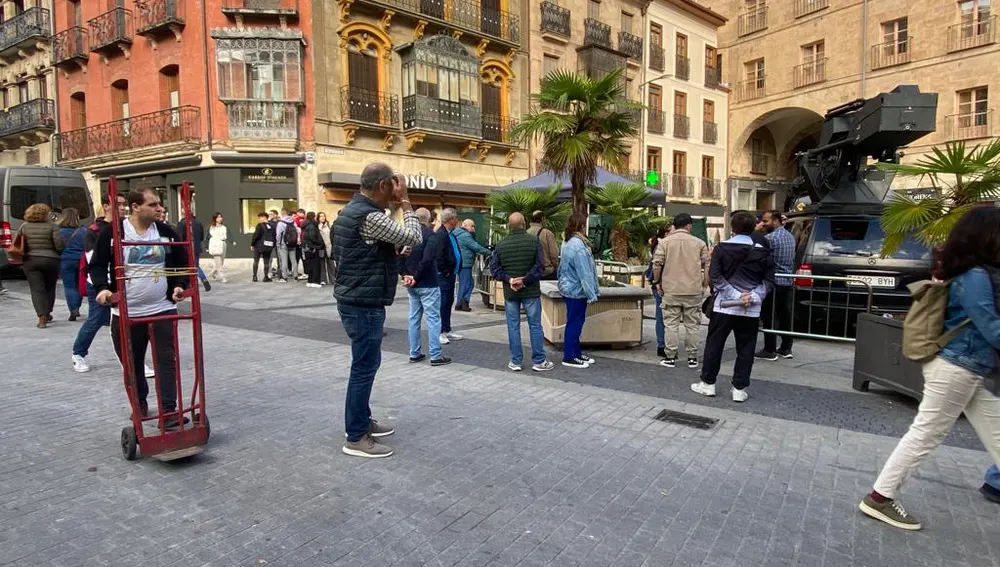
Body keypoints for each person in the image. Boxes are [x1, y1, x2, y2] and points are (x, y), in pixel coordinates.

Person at [859, 207, 1000, 531]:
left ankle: (879, 497)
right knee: (925, 435)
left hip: (968, 368)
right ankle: (879, 498)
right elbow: (991, 328)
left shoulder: (972, 272)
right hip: (957, 367)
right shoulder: (975, 276)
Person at [333, 163, 422, 459]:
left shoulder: (350, 211)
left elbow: (361, 252)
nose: (395, 192)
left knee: (364, 365)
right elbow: (415, 236)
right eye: (393, 186)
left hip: (354, 297)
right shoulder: (369, 216)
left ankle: (361, 421)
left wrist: (391, 251)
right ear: (384, 185)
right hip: (363, 302)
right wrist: (406, 200)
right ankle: (356, 436)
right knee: (364, 367)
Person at [90, 188, 190, 426]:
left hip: (162, 308)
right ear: (135, 207)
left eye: (159, 204)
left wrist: (179, 285)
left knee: (166, 361)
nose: (160, 208)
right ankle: (140, 406)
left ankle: (168, 412)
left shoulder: (166, 232)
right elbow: (97, 265)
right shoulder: (113, 232)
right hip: (126, 312)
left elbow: (182, 263)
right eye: (153, 204)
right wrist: (103, 289)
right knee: (132, 364)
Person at [691, 211, 774, 403]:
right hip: (751, 308)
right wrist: (753, 296)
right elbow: (769, 281)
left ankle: (708, 383)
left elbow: (715, 276)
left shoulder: (721, 249)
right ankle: (739, 388)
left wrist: (735, 295)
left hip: (724, 306)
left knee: (715, 344)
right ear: (753, 228)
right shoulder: (764, 251)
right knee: (746, 348)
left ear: (732, 228)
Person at [492, 212, 554, 373]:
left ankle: (516, 361)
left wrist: (511, 280)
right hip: (530, 291)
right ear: (524, 223)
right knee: (535, 326)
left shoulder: (501, 244)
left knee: (513, 326)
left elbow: (495, 269)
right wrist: (525, 280)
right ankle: (539, 360)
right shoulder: (534, 241)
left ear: (509, 225)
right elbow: (540, 266)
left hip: (511, 292)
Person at [72, 193, 125, 373]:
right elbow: (94, 261)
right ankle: (78, 353)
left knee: (126, 321)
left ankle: (132, 360)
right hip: (100, 282)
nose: (122, 207)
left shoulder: (126, 227)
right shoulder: (94, 230)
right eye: (117, 204)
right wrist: (102, 284)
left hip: (122, 281)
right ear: (106, 206)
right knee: (97, 319)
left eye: (123, 204)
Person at [651, 213, 710, 369]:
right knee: (692, 326)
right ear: (689, 226)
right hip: (693, 290)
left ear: (674, 226)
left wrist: (657, 282)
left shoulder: (664, 243)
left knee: (671, 325)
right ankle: (692, 357)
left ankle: (670, 356)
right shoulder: (699, 243)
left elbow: (657, 264)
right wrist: (704, 284)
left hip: (671, 289)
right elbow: (707, 265)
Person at [400, 208, 450, 366]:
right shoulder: (430, 235)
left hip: (411, 283)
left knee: (414, 318)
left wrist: (406, 275)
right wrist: (416, 277)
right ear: (429, 219)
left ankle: (414, 352)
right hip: (428, 282)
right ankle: (435, 355)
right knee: (433, 318)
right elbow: (427, 259)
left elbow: (399, 256)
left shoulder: (406, 234)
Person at [557, 213, 599, 368]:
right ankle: (570, 356)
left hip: (569, 287)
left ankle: (576, 353)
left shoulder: (567, 241)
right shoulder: (578, 245)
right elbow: (584, 272)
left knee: (574, 321)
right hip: (576, 290)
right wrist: (591, 293)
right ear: (581, 226)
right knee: (575, 323)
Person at [756, 209, 796, 361]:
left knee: (769, 316)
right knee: (785, 315)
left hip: (773, 282)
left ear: (775, 220)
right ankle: (786, 347)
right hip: (787, 281)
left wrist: (756, 230)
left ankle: (769, 349)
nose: (763, 224)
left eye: (765, 221)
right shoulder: (790, 236)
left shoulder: (769, 238)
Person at [19, 203, 65, 328]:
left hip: (31, 260)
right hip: (51, 260)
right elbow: (59, 245)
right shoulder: (52, 226)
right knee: (49, 287)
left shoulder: (24, 226)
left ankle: (41, 317)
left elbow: (19, 243)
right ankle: (48, 312)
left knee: (36, 289)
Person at [435, 208, 463, 344]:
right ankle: (440, 331)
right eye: (455, 218)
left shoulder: (450, 234)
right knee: (443, 302)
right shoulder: (441, 234)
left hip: (451, 274)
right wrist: (445, 271)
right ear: (450, 219)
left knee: (448, 301)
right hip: (444, 275)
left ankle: (447, 329)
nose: (457, 220)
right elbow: (438, 255)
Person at [453, 218, 492, 312]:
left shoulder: (458, 233)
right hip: (465, 263)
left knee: (468, 283)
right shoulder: (465, 235)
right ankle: (462, 303)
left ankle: (461, 302)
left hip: (462, 262)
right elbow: (476, 247)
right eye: (472, 226)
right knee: (466, 284)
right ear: (465, 225)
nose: (473, 228)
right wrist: (490, 252)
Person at [56, 207, 88, 321]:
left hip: (65, 260)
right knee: (79, 284)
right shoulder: (83, 230)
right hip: (81, 260)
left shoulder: (58, 231)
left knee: (69, 286)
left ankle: (73, 309)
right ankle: (77, 306)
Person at [647, 227, 669, 359]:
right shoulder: (662, 246)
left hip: (660, 284)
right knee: (663, 317)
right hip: (662, 285)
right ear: (666, 234)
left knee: (661, 316)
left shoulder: (660, 245)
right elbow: (657, 266)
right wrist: (656, 282)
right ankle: (662, 345)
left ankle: (662, 345)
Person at [176, 213, 210, 292]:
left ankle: (190, 282)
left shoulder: (182, 223)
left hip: (186, 248)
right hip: (197, 248)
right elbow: (201, 237)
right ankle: (202, 279)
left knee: (188, 266)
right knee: (195, 265)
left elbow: (180, 238)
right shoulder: (198, 223)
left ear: (184, 215)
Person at [527, 210, 560, 281]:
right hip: (547, 272)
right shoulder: (547, 233)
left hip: (531, 273)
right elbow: (553, 254)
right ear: (542, 219)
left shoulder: (526, 233)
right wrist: (556, 266)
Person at [275, 208, 300, 282]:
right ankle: (296, 277)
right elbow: (297, 232)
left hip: (283, 244)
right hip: (293, 243)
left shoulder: (280, 223)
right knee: (294, 260)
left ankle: (285, 277)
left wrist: (278, 243)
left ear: (282, 213)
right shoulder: (293, 222)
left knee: (284, 261)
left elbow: (278, 235)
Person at [301, 211, 325, 288]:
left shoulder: (306, 225)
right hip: (314, 248)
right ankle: (315, 281)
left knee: (310, 265)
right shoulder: (312, 226)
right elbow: (313, 237)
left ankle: (310, 281)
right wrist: (320, 243)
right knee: (316, 265)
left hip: (308, 248)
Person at [250, 212, 275, 282]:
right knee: (266, 262)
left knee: (256, 261)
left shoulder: (259, 226)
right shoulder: (272, 226)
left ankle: (255, 276)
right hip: (268, 246)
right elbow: (274, 236)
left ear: (264, 217)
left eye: (260, 218)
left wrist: (252, 244)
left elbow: (255, 236)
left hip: (258, 246)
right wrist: (273, 245)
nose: (259, 219)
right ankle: (266, 277)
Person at [207, 212, 229, 283]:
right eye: (218, 217)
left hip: (223, 244)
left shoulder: (224, 227)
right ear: (215, 218)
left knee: (221, 262)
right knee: (218, 262)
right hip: (216, 244)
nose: (220, 218)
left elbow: (225, 236)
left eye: (221, 217)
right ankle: (223, 277)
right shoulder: (212, 227)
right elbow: (210, 237)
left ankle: (212, 273)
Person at [318, 212, 335, 285]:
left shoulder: (328, 225)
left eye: (324, 216)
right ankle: (323, 279)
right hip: (321, 247)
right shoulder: (317, 226)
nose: (323, 218)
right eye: (321, 216)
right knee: (322, 264)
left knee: (331, 264)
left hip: (329, 246)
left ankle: (333, 279)